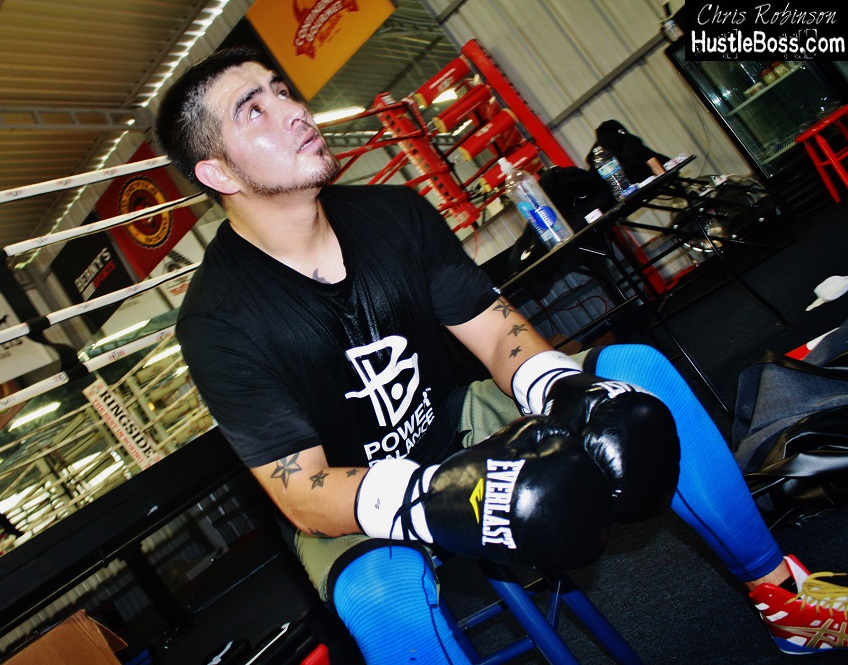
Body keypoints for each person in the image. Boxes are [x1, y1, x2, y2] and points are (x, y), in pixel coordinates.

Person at [156, 47, 848, 661]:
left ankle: (787, 601)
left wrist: (560, 388)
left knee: (631, 373)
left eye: (283, 91)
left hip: (457, 422)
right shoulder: (219, 321)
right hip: (347, 492)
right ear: (217, 172)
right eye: (254, 109)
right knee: (378, 595)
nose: (293, 111)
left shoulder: (394, 215)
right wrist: (427, 501)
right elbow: (301, 491)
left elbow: (493, 332)